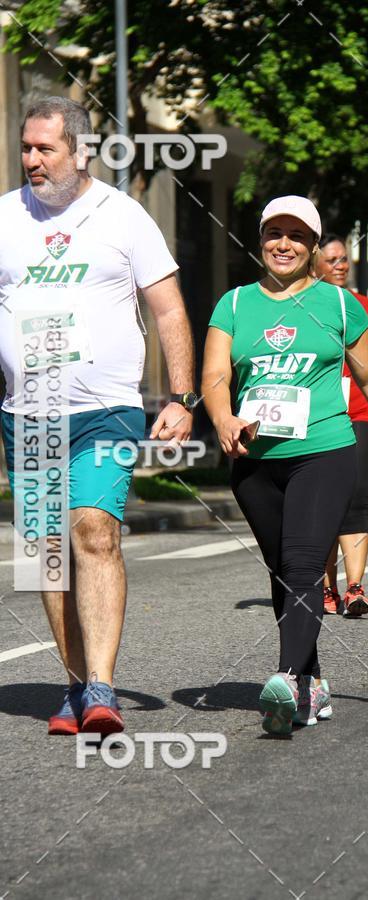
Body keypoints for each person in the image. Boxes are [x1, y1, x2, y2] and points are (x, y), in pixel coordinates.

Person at [0, 97, 196, 735]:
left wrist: (181, 396)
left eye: (44, 149)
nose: (31, 160)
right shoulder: (4, 217)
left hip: (105, 409)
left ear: (79, 151)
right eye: (25, 148)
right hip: (26, 413)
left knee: (92, 529)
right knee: (47, 553)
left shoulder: (124, 216)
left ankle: (103, 687)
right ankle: (75, 685)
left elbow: (167, 309)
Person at [201, 195, 368, 735]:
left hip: (324, 451)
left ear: (313, 246)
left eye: (297, 236)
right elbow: (215, 377)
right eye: (274, 233)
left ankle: (284, 677)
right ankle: (312, 679)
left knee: (303, 564)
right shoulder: (233, 305)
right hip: (255, 462)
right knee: (283, 569)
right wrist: (224, 419)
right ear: (260, 241)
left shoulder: (341, 306)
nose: (284, 244)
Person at [314, 234, 368, 617]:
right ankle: (325, 588)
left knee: (354, 498)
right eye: (332, 259)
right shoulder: (303, 305)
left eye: (344, 259)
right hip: (320, 419)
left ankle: (354, 588)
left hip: (365, 417)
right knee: (320, 504)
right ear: (314, 263)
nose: (341, 265)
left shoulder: (364, 306)